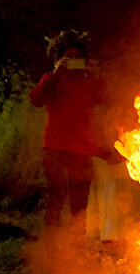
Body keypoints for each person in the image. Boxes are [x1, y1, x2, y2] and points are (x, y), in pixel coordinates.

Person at [29, 29, 102, 236]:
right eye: (68, 57)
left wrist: (97, 75)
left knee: (80, 205)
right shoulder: (52, 78)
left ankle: (76, 249)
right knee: (55, 200)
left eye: (77, 57)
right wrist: (55, 73)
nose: (73, 61)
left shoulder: (89, 81)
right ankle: (53, 248)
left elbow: (107, 99)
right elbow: (36, 99)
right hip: (55, 149)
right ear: (60, 58)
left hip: (82, 150)